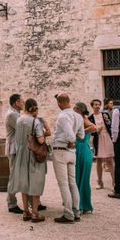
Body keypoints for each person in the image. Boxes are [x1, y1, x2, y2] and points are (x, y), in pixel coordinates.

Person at [8, 98, 48, 222]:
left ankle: (26, 212)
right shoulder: (35, 122)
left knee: (24, 182)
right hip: (33, 155)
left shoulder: (19, 120)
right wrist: (46, 133)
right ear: (35, 108)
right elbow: (40, 140)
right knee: (36, 182)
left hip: (21, 154)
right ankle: (35, 213)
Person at [51, 93, 84, 224]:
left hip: (61, 150)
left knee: (63, 183)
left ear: (60, 103)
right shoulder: (78, 116)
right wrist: (73, 142)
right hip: (72, 153)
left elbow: (71, 134)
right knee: (72, 182)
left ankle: (68, 213)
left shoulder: (63, 116)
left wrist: (71, 140)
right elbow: (81, 135)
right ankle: (76, 211)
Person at [74, 102, 96, 214]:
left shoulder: (83, 119)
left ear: (79, 110)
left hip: (82, 149)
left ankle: (81, 204)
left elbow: (94, 127)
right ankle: (80, 203)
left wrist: (80, 133)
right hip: (80, 149)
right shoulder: (79, 118)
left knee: (81, 178)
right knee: (78, 177)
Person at [89, 99, 114, 189]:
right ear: (92, 106)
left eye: (99, 104)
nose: (98, 106)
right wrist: (96, 131)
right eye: (95, 104)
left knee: (110, 160)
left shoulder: (105, 114)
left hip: (106, 137)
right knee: (99, 161)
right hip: (97, 139)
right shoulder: (90, 118)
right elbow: (90, 132)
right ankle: (100, 182)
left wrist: (107, 121)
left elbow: (110, 125)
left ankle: (114, 182)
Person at [5, 93, 24, 214]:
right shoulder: (12, 115)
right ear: (16, 103)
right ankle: (11, 204)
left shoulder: (16, 114)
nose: (23, 103)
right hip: (14, 149)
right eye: (22, 101)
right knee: (13, 176)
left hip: (17, 148)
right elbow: (23, 128)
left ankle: (32, 202)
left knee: (20, 175)